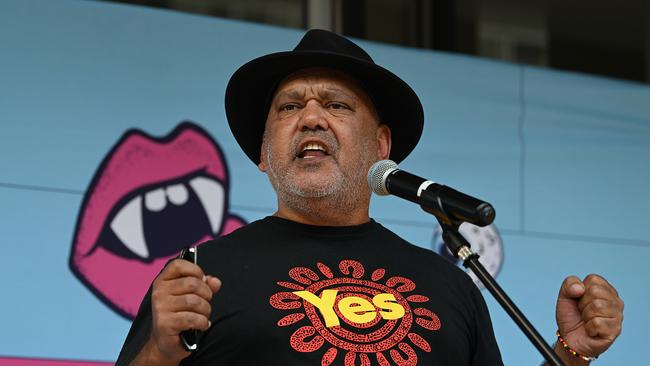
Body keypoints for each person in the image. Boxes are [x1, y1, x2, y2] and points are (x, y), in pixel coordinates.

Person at [116, 29, 623, 366]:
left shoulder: (451, 283)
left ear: (381, 147)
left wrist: (570, 354)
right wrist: (160, 352)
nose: (311, 117)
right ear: (264, 154)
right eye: (290, 106)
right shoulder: (197, 274)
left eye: (336, 104)